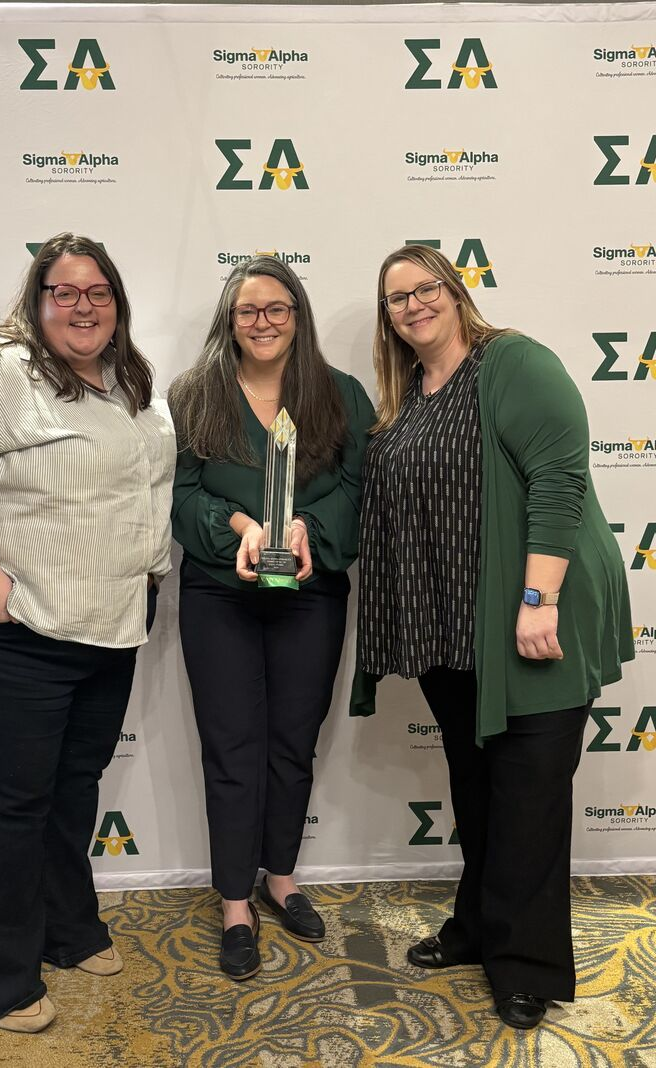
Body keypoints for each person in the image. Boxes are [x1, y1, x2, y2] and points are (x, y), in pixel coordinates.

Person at [0, 233, 176, 1032]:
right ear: (36, 298)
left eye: (98, 292)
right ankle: (2, 981)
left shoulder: (129, 375)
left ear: (116, 303)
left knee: (70, 790)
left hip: (106, 622)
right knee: (8, 806)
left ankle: (65, 928)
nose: (82, 305)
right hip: (7, 628)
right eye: (64, 291)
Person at [355, 243, 634, 1030]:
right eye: (395, 299)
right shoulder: (408, 393)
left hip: (535, 617)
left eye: (425, 289)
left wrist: (538, 595)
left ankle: (529, 966)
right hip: (455, 631)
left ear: (455, 288)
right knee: (478, 791)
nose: (412, 306)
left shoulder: (510, 362)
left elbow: (558, 478)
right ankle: (477, 929)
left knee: (529, 799)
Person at [169, 256, 374, 980]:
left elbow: (357, 489)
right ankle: (234, 900)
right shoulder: (195, 395)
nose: (263, 323)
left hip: (309, 596)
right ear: (230, 319)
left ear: (298, 314)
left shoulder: (342, 396)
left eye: (277, 309)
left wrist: (308, 531)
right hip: (219, 594)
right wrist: (238, 525)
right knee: (232, 746)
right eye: (248, 310)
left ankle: (279, 878)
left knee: (292, 741)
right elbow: (179, 494)